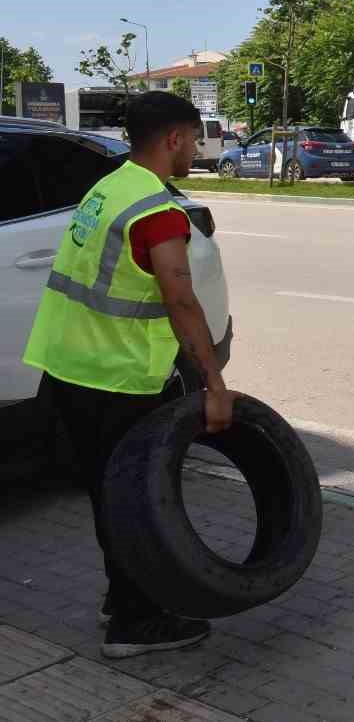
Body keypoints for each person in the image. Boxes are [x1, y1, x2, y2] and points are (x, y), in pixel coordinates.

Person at [24, 90, 235, 658]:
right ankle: (136, 624)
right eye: (193, 139)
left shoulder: (109, 187)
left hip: (68, 366)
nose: (196, 149)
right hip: (115, 379)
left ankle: (123, 598)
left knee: (108, 492)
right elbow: (181, 299)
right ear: (173, 139)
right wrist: (214, 385)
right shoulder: (156, 211)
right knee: (135, 500)